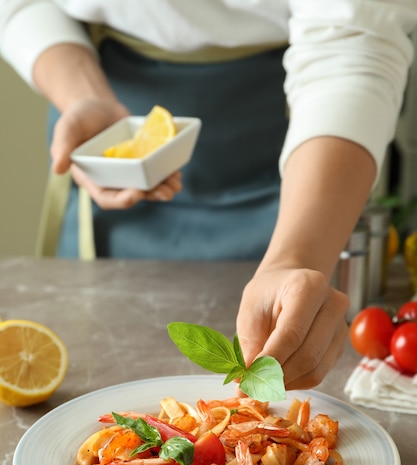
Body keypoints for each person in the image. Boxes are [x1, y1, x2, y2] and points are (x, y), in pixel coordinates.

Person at [1, 1, 416, 391]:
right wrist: (82, 96)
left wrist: (295, 260)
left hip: (300, 135)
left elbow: (354, 44)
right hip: (101, 106)